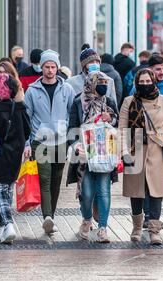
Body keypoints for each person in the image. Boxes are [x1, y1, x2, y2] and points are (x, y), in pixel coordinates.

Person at [119, 69, 163, 245]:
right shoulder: (129, 102)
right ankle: (136, 227)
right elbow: (121, 130)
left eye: (147, 81)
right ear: (136, 83)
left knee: (156, 191)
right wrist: (124, 153)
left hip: (157, 150)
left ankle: (154, 230)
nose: (144, 85)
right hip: (135, 149)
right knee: (136, 191)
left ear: (153, 82)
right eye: (140, 82)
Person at [24, 50, 76, 235]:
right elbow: (27, 117)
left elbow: (72, 113)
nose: (50, 70)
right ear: (42, 67)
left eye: (53, 67)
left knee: (56, 180)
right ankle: (47, 216)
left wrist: (71, 139)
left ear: (57, 67)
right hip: (41, 141)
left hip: (61, 141)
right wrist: (27, 143)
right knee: (44, 179)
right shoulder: (32, 90)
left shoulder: (67, 89)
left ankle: (50, 217)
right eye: (47, 66)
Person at [67, 72, 119, 243]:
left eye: (105, 82)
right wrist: (76, 146)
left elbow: (117, 122)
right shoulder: (78, 102)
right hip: (85, 155)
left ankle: (103, 228)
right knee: (87, 193)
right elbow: (71, 128)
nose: (103, 85)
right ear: (90, 84)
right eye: (100, 82)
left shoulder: (109, 101)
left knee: (104, 191)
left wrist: (110, 118)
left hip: (104, 153)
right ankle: (87, 218)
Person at [0, 73, 31, 244]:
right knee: (8, 188)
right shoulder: (18, 108)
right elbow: (27, 131)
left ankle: (8, 223)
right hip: (14, 154)